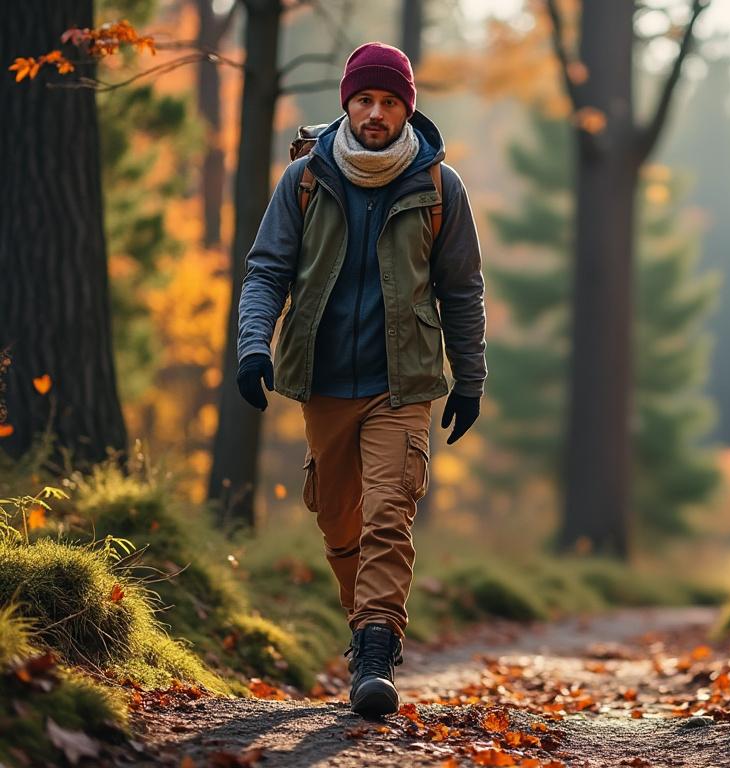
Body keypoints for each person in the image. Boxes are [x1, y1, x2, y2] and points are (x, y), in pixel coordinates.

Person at [233, 41, 486, 718]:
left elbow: (462, 291)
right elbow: (266, 271)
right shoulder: (307, 180)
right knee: (338, 518)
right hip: (322, 380)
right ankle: (362, 622)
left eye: (389, 102)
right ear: (347, 102)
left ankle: (377, 649)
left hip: (401, 384)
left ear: (408, 108)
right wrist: (253, 347)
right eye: (364, 100)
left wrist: (469, 379)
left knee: (387, 514)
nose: (376, 113)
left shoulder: (439, 186)